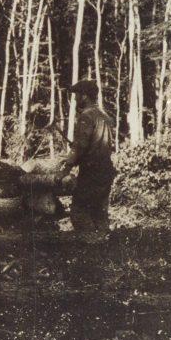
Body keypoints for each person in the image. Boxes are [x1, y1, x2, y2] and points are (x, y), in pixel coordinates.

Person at [55, 79, 116, 234]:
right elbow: (100, 145)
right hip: (106, 170)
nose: (74, 99)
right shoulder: (104, 116)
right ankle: (104, 246)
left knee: (79, 212)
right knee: (99, 212)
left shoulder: (86, 116)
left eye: (76, 95)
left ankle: (91, 247)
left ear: (84, 96)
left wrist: (65, 170)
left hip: (92, 172)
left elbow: (80, 146)